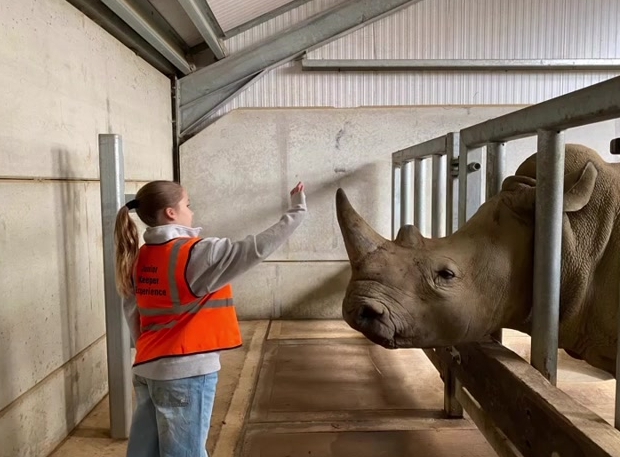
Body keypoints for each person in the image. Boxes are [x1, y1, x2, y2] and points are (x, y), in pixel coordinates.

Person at [114, 180, 307, 457]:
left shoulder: (139, 256)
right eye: (187, 205)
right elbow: (255, 249)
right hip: (185, 372)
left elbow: (132, 311)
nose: (191, 212)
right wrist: (297, 210)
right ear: (171, 212)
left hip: (147, 369)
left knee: (145, 452)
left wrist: (150, 352)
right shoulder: (196, 253)